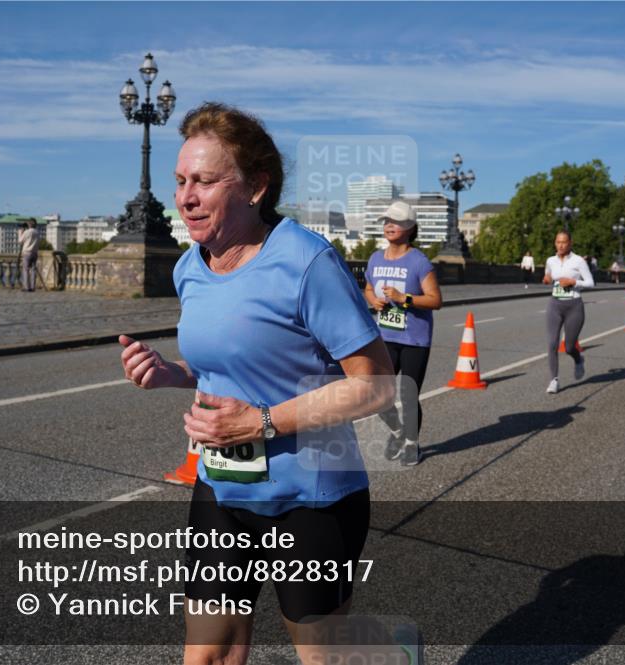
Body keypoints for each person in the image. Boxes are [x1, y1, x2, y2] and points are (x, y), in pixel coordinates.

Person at [118, 103, 395, 665]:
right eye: (180, 181)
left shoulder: (306, 262)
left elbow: (377, 384)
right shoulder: (190, 267)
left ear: (256, 187)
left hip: (311, 499)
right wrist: (174, 373)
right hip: (222, 488)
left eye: (204, 181)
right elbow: (234, 364)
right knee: (209, 656)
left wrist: (261, 422)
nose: (186, 197)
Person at [363, 200, 443, 467]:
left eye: (395, 222)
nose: (389, 225)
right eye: (386, 221)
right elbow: (368, 288)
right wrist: (374, 301)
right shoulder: (375, 258)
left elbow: (435, 300)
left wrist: (403, 298)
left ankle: (411, 443)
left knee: (408, 395)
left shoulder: (419, 261)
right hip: (385, 337)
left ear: (409, 227)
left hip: (414, 339)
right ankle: (398, 431)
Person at [543, 230, 594, 393]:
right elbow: (548, 275)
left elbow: (591, 283)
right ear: (555, 243)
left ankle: (578, 360)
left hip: (574, 306)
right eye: (558, 242)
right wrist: (547, 279)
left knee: (569, 347)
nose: (561, 245)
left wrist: (573, 281)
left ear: (570, 243)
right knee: (552, 344)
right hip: (555, 305)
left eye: (564, 242)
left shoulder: (579, 261)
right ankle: (554, 380)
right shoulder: (550, 260)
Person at [18, 218, 40, 292]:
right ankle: (33, 287)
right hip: (34, 252)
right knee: (33, 270)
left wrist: (20, 232)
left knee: (26, 270)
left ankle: (26, 287)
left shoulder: (27, 232)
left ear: (29, 224)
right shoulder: (37, 232)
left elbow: (20, 241)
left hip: (27, 252)